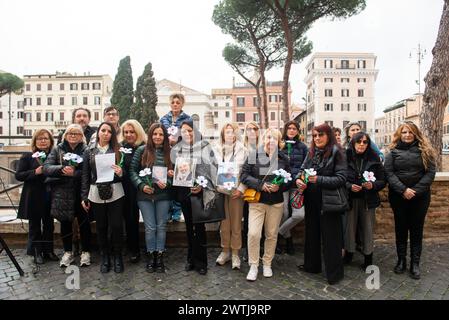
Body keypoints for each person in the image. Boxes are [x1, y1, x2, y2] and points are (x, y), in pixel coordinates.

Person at [296, 123, 346, 285]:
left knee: (332, 239)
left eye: (321, 135)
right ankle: (312, 266)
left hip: (330, 201)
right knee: (312, 234)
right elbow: (301, 171)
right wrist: (299, 181)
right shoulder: (311, 152)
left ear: (328, 136)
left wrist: (318, 179)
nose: (317, 138)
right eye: (315, 136)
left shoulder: (337, 153)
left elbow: (341, 179)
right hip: (312, 199)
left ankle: (334, 274)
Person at [385, 121, 436, 280]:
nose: (407, 135)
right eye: (404, 132)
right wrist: (403, 190)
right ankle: (401, 261)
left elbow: (430, 173)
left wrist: (415, 191)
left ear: (416, 134)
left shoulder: (425, 151)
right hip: (398, 197)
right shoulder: (392, 152)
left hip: (420, 197)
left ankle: (415, 264)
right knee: (400, 228)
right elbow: (389, 173)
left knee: (416, 229)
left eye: (410, 132)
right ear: (400, 134)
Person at [241, 128, 291, 281]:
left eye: (274, 138)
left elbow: (289, 180)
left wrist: (280, 186)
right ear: (264, 140)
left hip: (275, 203)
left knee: (271, 235)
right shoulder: (254, 155)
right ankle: (254, 265)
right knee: (253, 234)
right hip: (257, 201)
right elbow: (244, 175)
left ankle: (267, 263)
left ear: (279, 142)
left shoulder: (284, 159)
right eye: (268, 137)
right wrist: (260, 185)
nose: (271, 141)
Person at [171, 119, 218, 275]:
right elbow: (175, 169)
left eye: (190, 130)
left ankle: (202, 262)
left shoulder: (205, 146)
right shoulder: (177, 149)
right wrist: (173, 172)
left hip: (200, 192)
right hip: (185, 193)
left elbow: (213, 167)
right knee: (189, 228)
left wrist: (203, 186)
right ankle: (190, 259)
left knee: (200, 228)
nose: (187, 133)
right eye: (184, 131)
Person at [44, 124, 91, 267]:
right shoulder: (58, 149)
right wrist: (62, 169)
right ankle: (68, 252)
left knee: (84, 223)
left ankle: (86, 252)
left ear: (81, 136)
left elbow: (88, 172)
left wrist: (74, 173)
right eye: (70, 133)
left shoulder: (86, 150)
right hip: (62, 193)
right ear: (65, 135)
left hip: (80, 192)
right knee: (65, 223)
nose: (73, 135)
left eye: (76, 133)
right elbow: (46, 167)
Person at [81, 122, 125, 273]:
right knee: (101, 226)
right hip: (95, 192)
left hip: (116, 191)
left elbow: (124, 170)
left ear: (112, 134)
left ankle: (117, 256)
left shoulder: (118, 150)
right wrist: (84, 196)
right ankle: (105, 256)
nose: (106, 133)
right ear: (98, 132)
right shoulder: (89, 151)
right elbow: (85, 175)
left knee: (117, 225)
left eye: (109, 131)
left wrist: (120, 172)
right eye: (103, 130)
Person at [130, 123, 174, 273]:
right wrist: (142, 186)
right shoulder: (142, 150)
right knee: (150, 227)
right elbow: (133, 171)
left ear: (165, 137)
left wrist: (167, 183)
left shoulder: (170, 153)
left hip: (163, 195)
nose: (158, 137)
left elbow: (175, 174)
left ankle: (159, 255)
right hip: (145, 196)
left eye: (161, 134)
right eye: (155, 134)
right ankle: (151, 255)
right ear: (150, 135)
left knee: (161, 226)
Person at [344, 132, 386, 270]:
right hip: (350, 198)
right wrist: (350, 186)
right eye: (359, 142)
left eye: (365, 142)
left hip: (368, 199)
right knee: (349, 228)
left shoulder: (374, 158)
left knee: (367, 229)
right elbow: (340, 177)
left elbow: (383, 180)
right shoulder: (345, 156)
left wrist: (372, 185)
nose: (362, 144)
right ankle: (349, 253)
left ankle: (368, 257)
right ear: (353, 142)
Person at [15, 129, 57, 264]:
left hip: (49, 195)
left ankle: (48, 250)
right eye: (39, 139)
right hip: (33, 196)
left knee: (49, 224)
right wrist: (35, 172)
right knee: (35, 225)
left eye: (45, 138)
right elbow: (19, 175)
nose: (43, 141)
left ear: (51, 141)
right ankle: (37, 252)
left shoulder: (54, 155)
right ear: (35, 141)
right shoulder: (28, 156)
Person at [213, 122, 247, 270]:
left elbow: (246, 172)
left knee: (236, 224)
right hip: (220, 191)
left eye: (233, 132)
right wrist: (215, 187)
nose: (230, 134)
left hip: (236, 193)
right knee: (224, 224)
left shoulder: (243, 150)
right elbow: (211, 170)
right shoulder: (215, 149)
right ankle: (225, 251)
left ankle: (235, 253)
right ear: (222, 134)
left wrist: (241, 189)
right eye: (227, 132)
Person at [160, 93, 192, 223]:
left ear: (182, 104)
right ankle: (168, 211)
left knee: (179, 182)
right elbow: (159, 134)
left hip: (182, 154)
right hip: (166, 154)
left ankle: (177, 212)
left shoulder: (187, 119)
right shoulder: (163, 119)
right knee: (167, 181)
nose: (175, 104)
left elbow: (190, 136)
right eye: (173, 102)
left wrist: (177, 140)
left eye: (178, 102)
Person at [278, 120, 308, 255]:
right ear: (286, 130)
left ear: (297, 131)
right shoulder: (280, 145)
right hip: (282, 185)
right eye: (289, 128)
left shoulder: (303, 147)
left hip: (297, 185)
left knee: (299, 214)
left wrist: (300, 179)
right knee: (283, 213)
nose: (291, 130)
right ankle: (288, 240)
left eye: (294, 128)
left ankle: (279, 233)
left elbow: (307, 166)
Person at [120, 120, 147, 263]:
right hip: (125, 189)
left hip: (141, 187)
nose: (129, 135)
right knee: (129, 220)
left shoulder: (144, 147)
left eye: (132, 132)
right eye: (126, 132)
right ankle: (131, 249)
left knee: (142, 220)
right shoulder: (120, 148)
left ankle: (146, 248)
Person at [241, 121, 260, 261]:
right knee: (247, 220)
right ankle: (248, 251)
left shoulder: (263, 147)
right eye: (249, 129)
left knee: (260, 222)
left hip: (259, 188)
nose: (252, 131)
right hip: (244, 188)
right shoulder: (241, 147)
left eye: (255, 129)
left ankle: (258, 250)